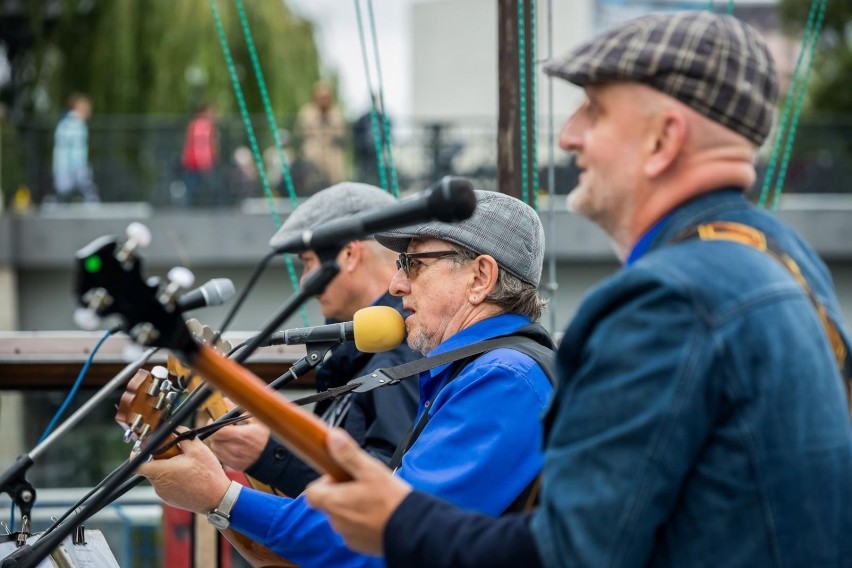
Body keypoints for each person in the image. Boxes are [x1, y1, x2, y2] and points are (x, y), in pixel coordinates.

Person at [303, 11, 852, 567]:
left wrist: (397, 522)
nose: (569, 135)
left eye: (594, 109)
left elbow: (572, 554)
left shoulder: (664, 300)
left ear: (664, 138)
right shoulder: (788, 260)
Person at [136, 187, 554, 568]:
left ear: (481, 277)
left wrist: (221, 496)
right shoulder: (483, 375)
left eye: (413, 263)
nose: (397, 283)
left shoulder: (503, 381)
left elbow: (381, 539)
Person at [206, 182, 421, 496]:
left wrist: (270, 455)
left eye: (308, 262)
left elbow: (384, 491)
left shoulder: (401, 355)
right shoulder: (365, 357)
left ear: (349, 254)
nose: (305, 280)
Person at [294, 81, 347, 194]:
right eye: (321, 97)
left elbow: (341, 133)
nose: (324, 100)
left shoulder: (336, 112)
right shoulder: (307, 111)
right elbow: (303, 131)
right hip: (314, 155)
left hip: (331, 155)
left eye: (326, 97)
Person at [51, 93, 100, 203]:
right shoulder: (76, 124)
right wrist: (76, 165)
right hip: (72, 166)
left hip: (67, 166)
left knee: (65, 191)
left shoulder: (65, 123)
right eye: (86, 109)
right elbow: (71, 149)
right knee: (78, 189)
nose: (89, 112)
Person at [181, 103, 220, 206]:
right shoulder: (202, 126)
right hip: (196, 161)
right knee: (196, 188)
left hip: (200, 161)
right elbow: (201, 144)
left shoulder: (196, 125)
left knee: (197, 188)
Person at [352, 95, 390, 187]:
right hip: (365, 156)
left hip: (378, 155)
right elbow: (357, 136)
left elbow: (387, 134)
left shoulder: (382, 118)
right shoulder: (363, 119)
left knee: (378, 176)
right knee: (365, 176)